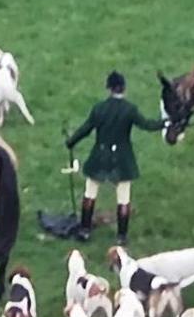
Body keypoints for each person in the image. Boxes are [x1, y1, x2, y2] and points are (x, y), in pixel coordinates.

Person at [66, 71, 170, 245]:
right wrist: (165, 122)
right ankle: (121, 236)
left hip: (100, 155)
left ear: (109, 88)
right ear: (124, 88)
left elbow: (85, 129)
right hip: (122, 159)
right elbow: (147, 125)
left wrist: (71, 142)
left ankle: (84, 230)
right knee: (123, 197)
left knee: (90, 193)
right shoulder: (130, 109)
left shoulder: (99, 108)